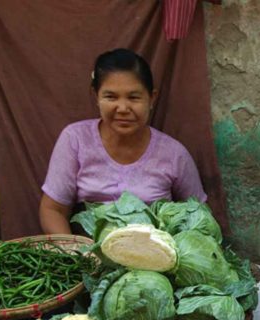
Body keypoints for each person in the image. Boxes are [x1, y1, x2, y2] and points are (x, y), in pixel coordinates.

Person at [39, 48, 206, 234]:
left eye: (134, 97)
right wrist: (73, 254)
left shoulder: (174, 154)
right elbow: (52, 210)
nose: (123, 108)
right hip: (86, 257)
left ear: (152, 98)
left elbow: (199, 217)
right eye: (110, 97)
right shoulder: (75, 140)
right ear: (96, 96)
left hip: (154, 259)